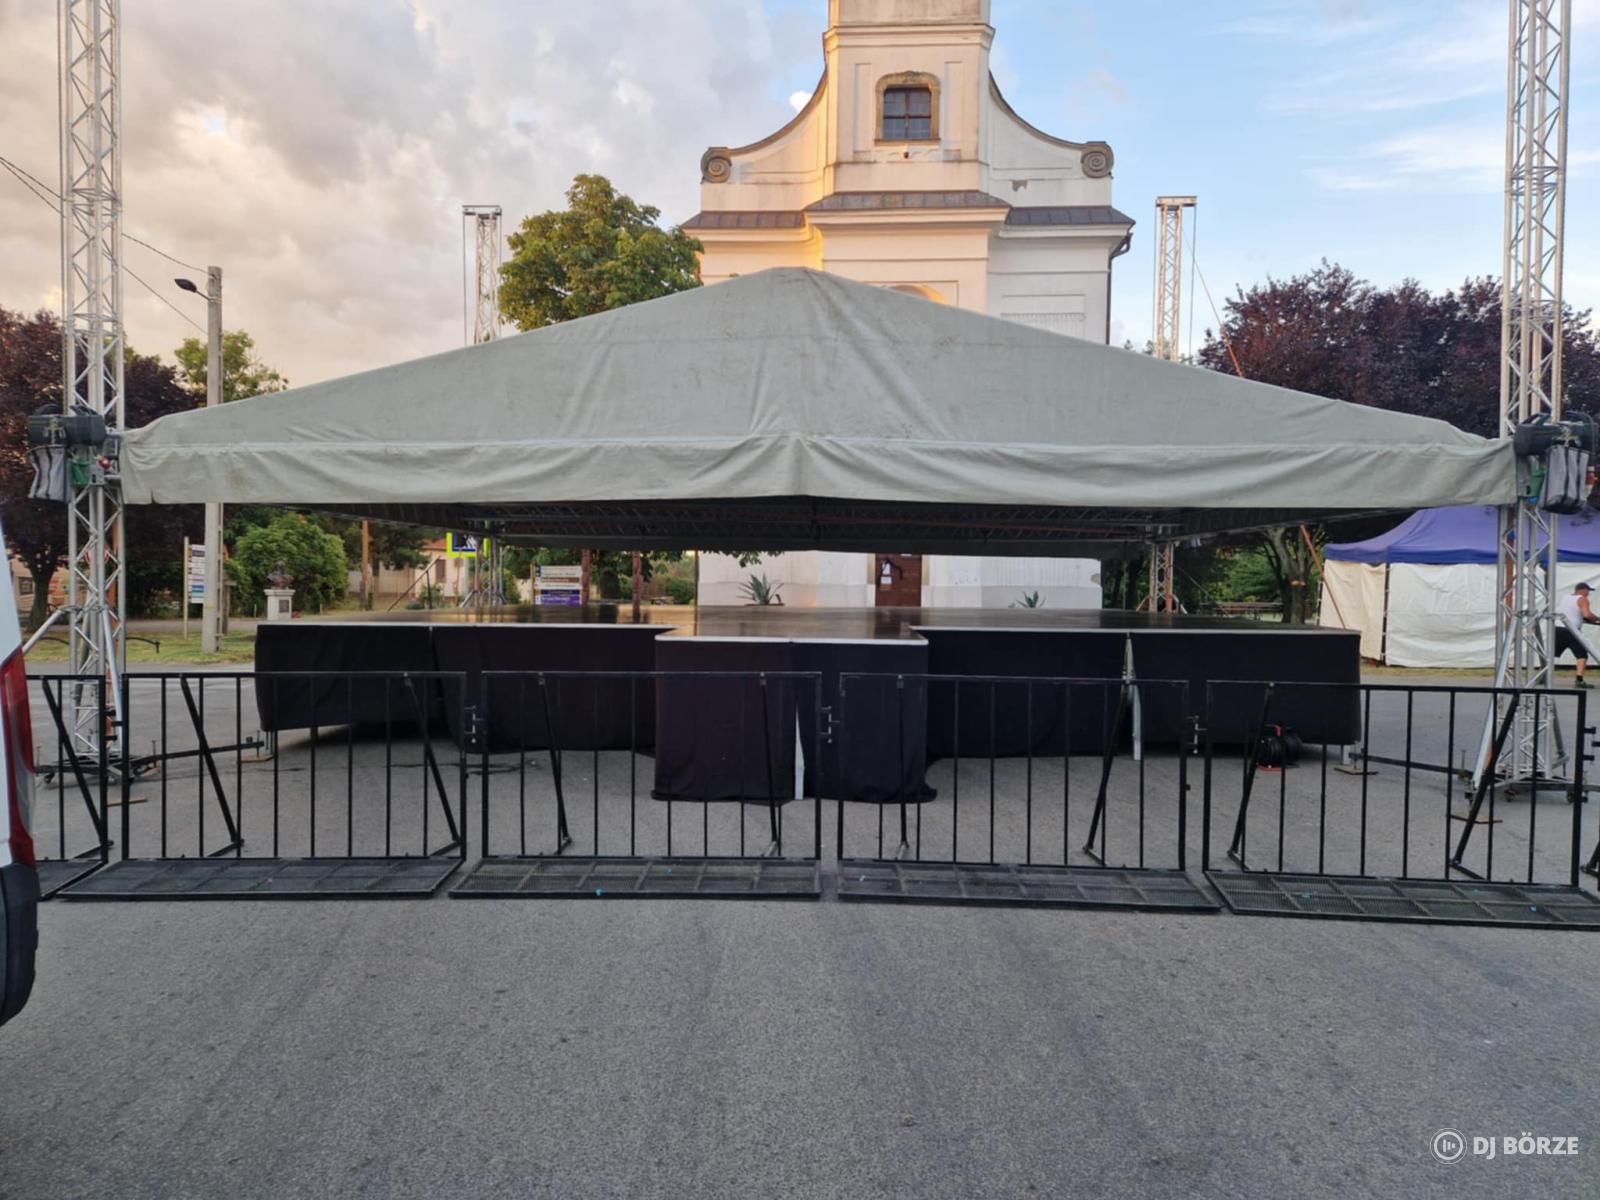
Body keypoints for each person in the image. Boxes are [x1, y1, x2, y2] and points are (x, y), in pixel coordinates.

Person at [1555, 582, 1600, 687]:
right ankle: (1579, 681)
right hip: (1572, 630)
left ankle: (1542, 675)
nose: (1588, 593)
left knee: (1551, 654)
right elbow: (1587, 615)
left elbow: (1571, 613)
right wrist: (1597, 618)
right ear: (1583, 590)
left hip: (1557, 629)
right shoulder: (1582, 599)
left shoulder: (1565, 598)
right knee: (1582, 655)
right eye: (1588, 591)